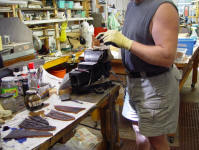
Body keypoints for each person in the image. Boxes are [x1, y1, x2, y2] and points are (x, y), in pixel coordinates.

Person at [97, 0, 180, 150]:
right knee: (139, 131)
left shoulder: (163, 8)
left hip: (154, 85)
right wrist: (119, 41)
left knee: (156, 139)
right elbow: (139, 37)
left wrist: (127, 43)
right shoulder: (132, 5)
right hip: (134, 82)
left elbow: (167, 57)